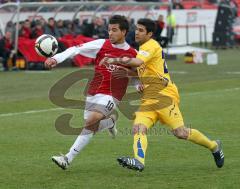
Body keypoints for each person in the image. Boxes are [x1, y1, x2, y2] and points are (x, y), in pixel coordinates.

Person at [100, 18, 224, 172]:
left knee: (181, 132)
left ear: (150, 34)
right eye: (136, 29)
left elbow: (138, 63)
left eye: (141, 30)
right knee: (139, 128)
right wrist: (128, 74)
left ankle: (214, 146)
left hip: (164, 95)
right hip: (149, 98)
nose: (136, 32)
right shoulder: (143, 50)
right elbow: (139, 71)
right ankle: (138, 161)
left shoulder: (151, 46)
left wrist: (113, 59)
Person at [44, 15, 137, 170]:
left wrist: (138, 84)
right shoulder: (101, 44)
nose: (110, 33)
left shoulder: (133, 54)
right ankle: (110, 122)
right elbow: (76, 49)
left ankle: (67, 158)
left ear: (124, 32)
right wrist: (56, 59)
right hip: (94, 91)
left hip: (113, 95)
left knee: (91, 121)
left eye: (114, 30)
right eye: (109, 30)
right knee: (91, 125)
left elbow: (135, 75)